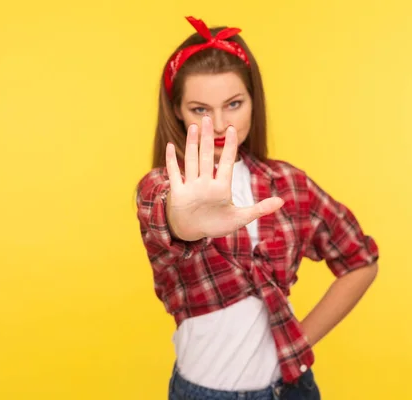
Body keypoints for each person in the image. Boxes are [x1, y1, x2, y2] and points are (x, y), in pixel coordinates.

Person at [136, 16, 380, 400]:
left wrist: (298, 340)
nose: (219, 124)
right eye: (200, 109)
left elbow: (360, 260)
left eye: (233, 104)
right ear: (177, 112)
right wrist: (188, 223)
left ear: (253, 101)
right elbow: (170, 220)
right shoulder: (164, 187)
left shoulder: (287, 185)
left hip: (291, 390)